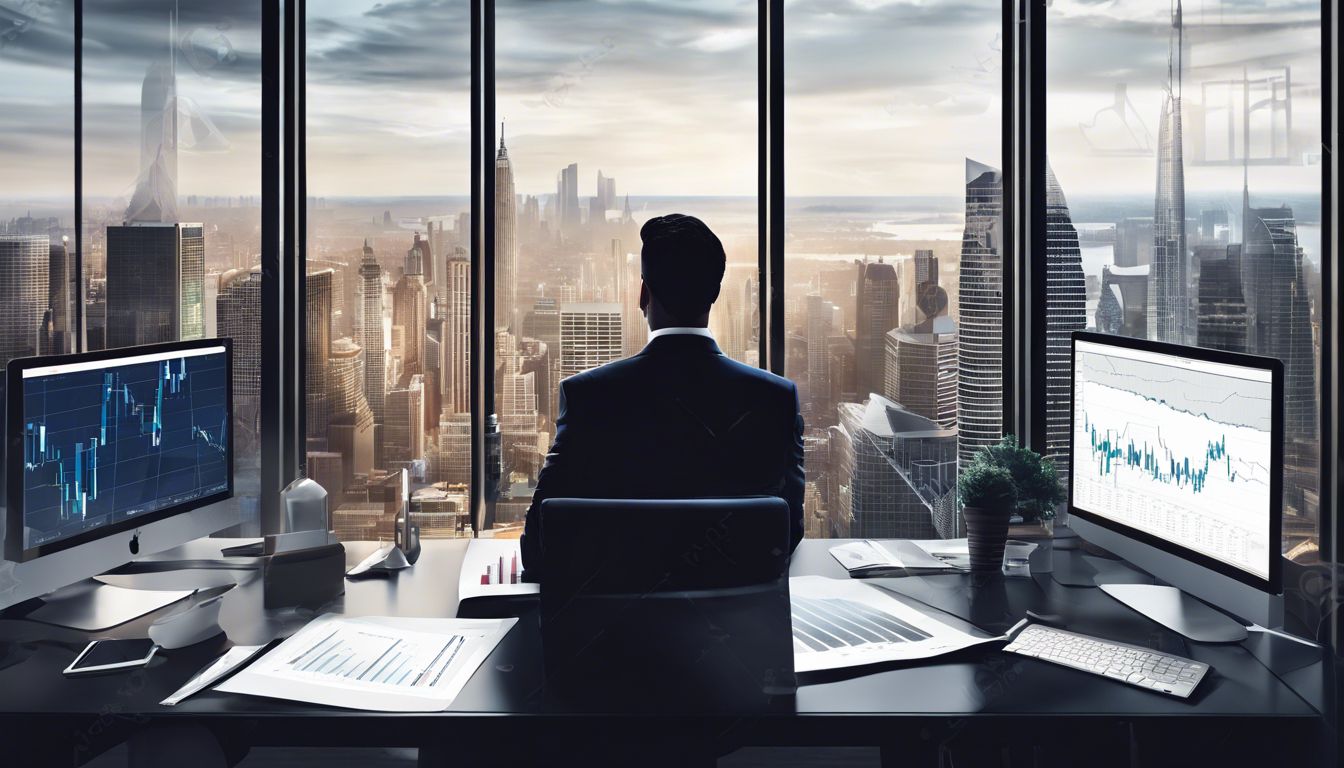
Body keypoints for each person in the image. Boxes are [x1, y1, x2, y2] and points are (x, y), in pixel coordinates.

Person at [520, 213, 804, 581]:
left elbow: (538, 546)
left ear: (643, 294)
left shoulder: (588, 397)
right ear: (715, 293)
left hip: (617, 634)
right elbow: (785, 534)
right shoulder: (776, 399)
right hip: (739, 630)